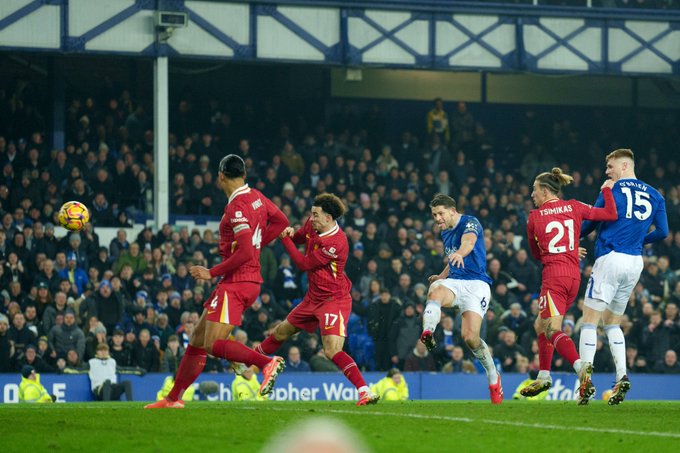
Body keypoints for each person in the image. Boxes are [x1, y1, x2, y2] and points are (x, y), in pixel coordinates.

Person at [145, 154, 288, 409]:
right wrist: (259, 243)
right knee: (198, 339)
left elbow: (244, 251)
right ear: (243, 174)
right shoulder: (257, 197)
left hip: (236, 282)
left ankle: (266, 363)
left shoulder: (236, 207)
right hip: (245, 281)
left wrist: (211, 271)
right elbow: (281, 222)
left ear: (221, 176)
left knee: (213, 345)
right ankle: (173, 398)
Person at [254, 193, 380, 406]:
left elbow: (304, 264)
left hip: (333, 300)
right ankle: (251, 362)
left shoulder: (337, 242)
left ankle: (364, 391)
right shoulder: (314, 224)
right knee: (280, 331)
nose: (311, 218)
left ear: (329, 218)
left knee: (332, 350)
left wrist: (284, 239)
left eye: (315, 215)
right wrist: (291, 233)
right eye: (311, 214)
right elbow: (300, 237)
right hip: (312, 298)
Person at [520, 168, 617, 404]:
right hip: (574, 277)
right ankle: (544, 376)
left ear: (544, 191)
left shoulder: (534, 216)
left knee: (552, 329)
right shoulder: (574, 206)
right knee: (540, 325)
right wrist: (606, 190)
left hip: (553, 277)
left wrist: (560, 251)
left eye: (534, 191)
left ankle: (581, 368)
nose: (532, 195)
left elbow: (536, 254)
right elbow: (610, 214)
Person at [579, 149, 668, 405]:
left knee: (589, 320)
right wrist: (641, 240)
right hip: (634, 262)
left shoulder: (612, 189)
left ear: (625, 166)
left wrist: (573, 235)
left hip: (610, 257)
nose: (607, 172)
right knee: (613, 322)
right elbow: (662, 232)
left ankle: (585, 381)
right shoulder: (656, 195)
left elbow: (590, 225)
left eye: (610, 166)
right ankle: (622, 376)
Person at [420, 193, 503, 404]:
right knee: (435, 289)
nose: (437, 218)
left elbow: (468, 242)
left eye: (440, 214)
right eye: (434, 215)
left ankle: (493, 377)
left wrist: (461, 253)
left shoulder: (470, 222)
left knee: (470, 338)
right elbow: (453, 259)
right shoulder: (445, 232)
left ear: (452, 211)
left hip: (477, 285)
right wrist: (442, 275)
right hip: (455, 283)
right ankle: (428, 331)